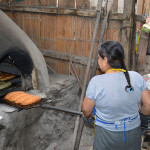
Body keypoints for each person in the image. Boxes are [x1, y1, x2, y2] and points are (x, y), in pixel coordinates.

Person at [82, 41, 150, 150]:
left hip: (106, 136)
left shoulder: (96, 82)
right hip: (132, 134)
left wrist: (89, 120)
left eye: (99, 58)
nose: (98, 62)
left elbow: (86, 110)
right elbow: (148, 105)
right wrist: (141, 121)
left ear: (105, 60)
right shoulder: (136, 77)